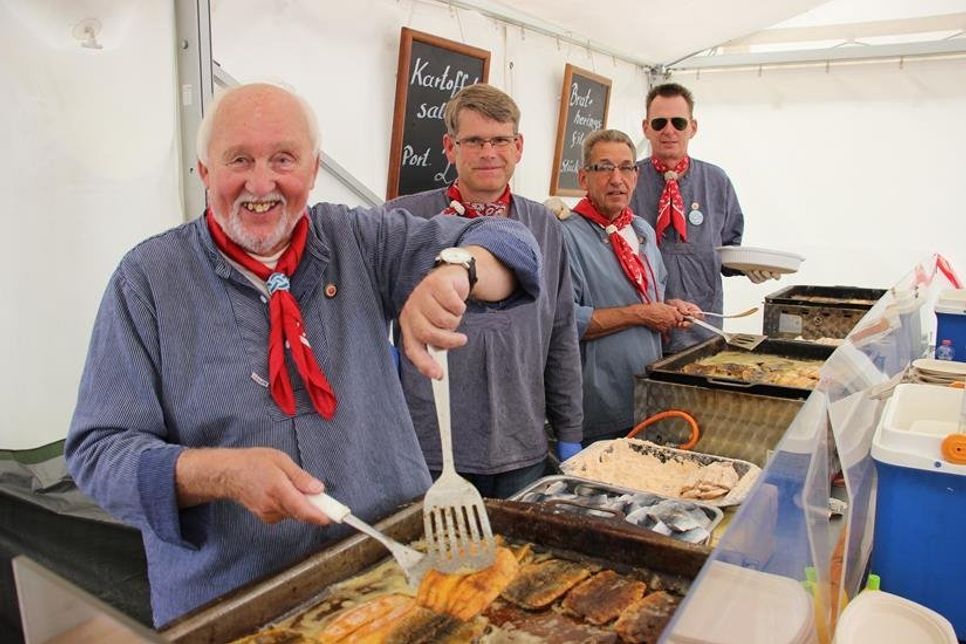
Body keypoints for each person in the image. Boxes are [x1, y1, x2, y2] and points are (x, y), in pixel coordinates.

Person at [64, 82, 543, 627]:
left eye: (283, 159)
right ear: (203, 171)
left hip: (396, 574)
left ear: (313, 170)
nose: (260, 183)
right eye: (238, 160)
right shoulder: (147, 281)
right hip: (235, 605)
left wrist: (459, 268)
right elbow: (98, 453)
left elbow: (511, 243)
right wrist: (216, 473)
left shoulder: (357, 238)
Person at [386, 84, 583, 498]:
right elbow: (364, 325)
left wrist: (570, 431)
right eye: (473, 140)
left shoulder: (546, 227)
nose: (488, 152)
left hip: (522, 446)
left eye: (500, 140)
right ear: (449, 146)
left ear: (519, 146)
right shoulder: (403, 220)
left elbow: (561, 333)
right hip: (431, 449)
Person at [560, 129, 699, 445]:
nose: (616, 178)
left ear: (636, 176)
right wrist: (642, 315)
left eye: (626, 168)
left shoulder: (642, 230)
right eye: (604, 167)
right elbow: (566, 321)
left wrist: (672, 308)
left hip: (644, 398)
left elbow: (652, 297)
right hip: (595, 407)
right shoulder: (564, 235)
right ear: (583, 178)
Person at [629, 82, 777, 354]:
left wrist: (751, 268)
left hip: (703, 329)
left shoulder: (716, 181)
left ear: (693, 127)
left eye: (678, 122)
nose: (669, 131)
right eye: (660, 123)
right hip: (643, 331)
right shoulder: (627, 180)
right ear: (646, 127)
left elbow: (727, 253)